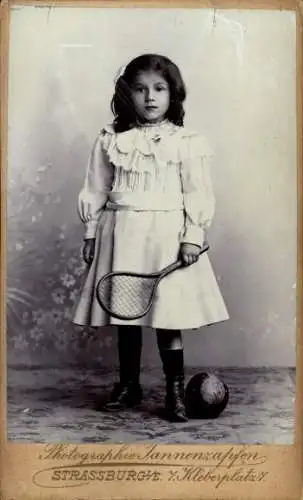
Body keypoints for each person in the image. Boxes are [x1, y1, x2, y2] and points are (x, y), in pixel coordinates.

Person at [73, 53, 229, 422]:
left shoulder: (186, 141)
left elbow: (197, 192)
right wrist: (91, 232)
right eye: (141, 89)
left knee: (166, 315)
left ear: (173, 94)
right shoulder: (111, 138)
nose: (150, 97)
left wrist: (193, 236)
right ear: (128, 94)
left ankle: (174, 390)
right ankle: (129, 385)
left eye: (159, 89)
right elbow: (96, 188)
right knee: (126, 315)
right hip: (122, 232)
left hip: (166, 235)